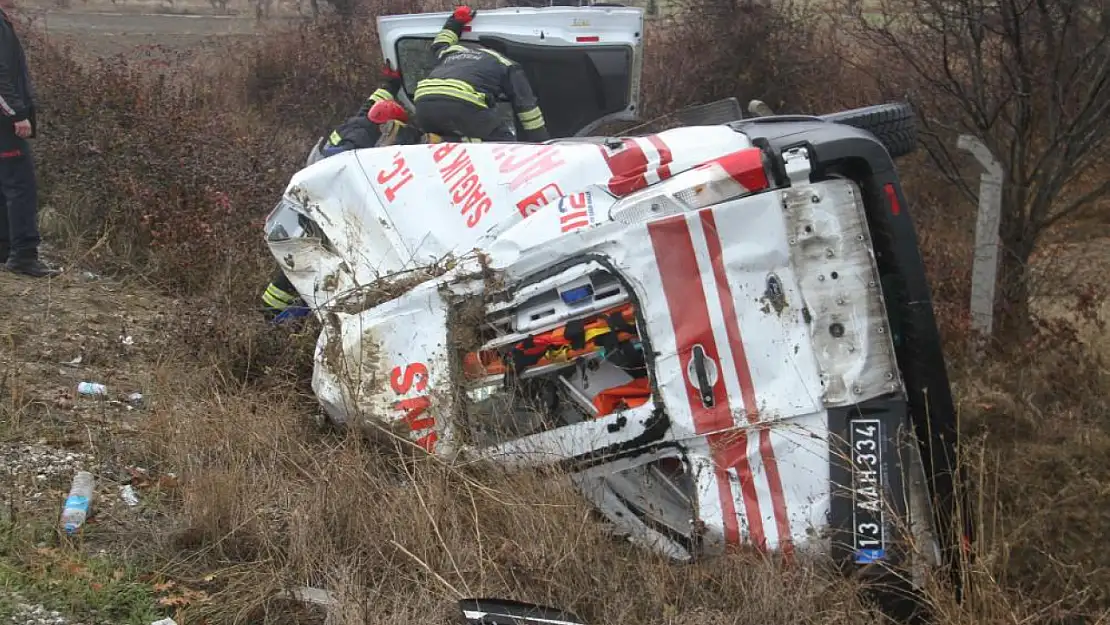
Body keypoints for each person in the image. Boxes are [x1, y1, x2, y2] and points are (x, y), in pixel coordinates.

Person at [412, 5, 550, 143]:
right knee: (504, 142)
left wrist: (456, 20)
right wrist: (542, 143)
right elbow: (527, 109)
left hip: (424, 101)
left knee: (436, 143)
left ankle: (417, 137)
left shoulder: (453, 52)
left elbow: (439, 43)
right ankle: (452, 140)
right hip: (463, 102)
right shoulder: (507, 64)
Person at [0, 6, 57, 277]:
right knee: (21, 186)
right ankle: (23, 255)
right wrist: (18, 114)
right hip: (5, 122)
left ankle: (5, 248)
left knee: (6, 185)